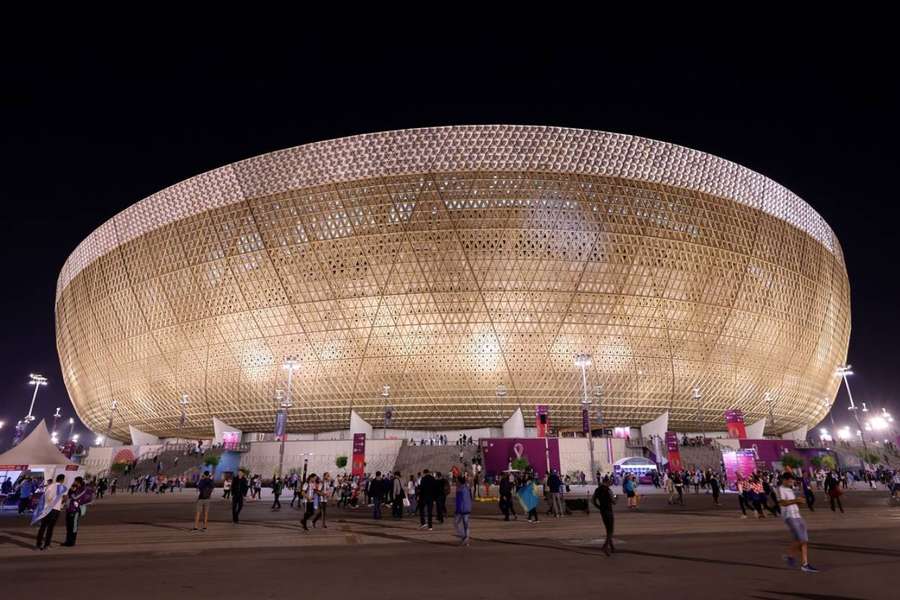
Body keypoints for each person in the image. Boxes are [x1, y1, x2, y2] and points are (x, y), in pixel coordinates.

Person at [777, 472, 818, 573]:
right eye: (791, 480)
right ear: (785, 480)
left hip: (798, 515)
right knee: (801, 539)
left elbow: (793, 503)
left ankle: (805, 564)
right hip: (789, 516)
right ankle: (789, 556)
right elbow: (782, 502)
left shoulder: (790, 489)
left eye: (793, 480)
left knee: (804, 541)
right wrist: (796, 500)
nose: (793, 481)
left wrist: (799, 503)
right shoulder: (780, 489)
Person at [33, 474, 67, 550]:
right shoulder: (63, 487)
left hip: (46, 509)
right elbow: (65, 498)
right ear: (62, 480)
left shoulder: (50, 486)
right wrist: (61, 503)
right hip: (55, 510)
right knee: (50, 528)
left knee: (42, 527)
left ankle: (38, 545)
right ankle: (47, 545)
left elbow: (44, 496)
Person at [62, 477, 92, 547]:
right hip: (69, 509)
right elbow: (69, 497)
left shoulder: (83, 489)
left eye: (75, 481)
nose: (74, 482)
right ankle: (67, 541)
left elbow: (76, 497)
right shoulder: (74, 488)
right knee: (68, 526)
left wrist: (72, 492)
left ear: (78, 482)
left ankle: (72, 542)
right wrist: (70, 491)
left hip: (76, 510)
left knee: (73, 526)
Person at [592, 476, 616, 556]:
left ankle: (612, 547)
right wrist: (616, 499)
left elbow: (593, 500)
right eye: (609, 482)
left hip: (602, 511)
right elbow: (613, 501)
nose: (610, 484)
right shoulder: (609, 490)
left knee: (607, 529)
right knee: (611, 530)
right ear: (607, 482)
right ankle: (605, 546)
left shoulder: (597, 490)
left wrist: (598, 507)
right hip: (609, 511)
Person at [454, 475, 473, 546]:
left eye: (456, 480)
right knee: (466, 524)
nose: (456, 482)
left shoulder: (459, 488)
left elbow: (459, 501)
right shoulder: (466, 487)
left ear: (459, 481)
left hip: (461, 509)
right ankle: (466, 539)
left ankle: (464, 537)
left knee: (456, 523)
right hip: (467, 508)